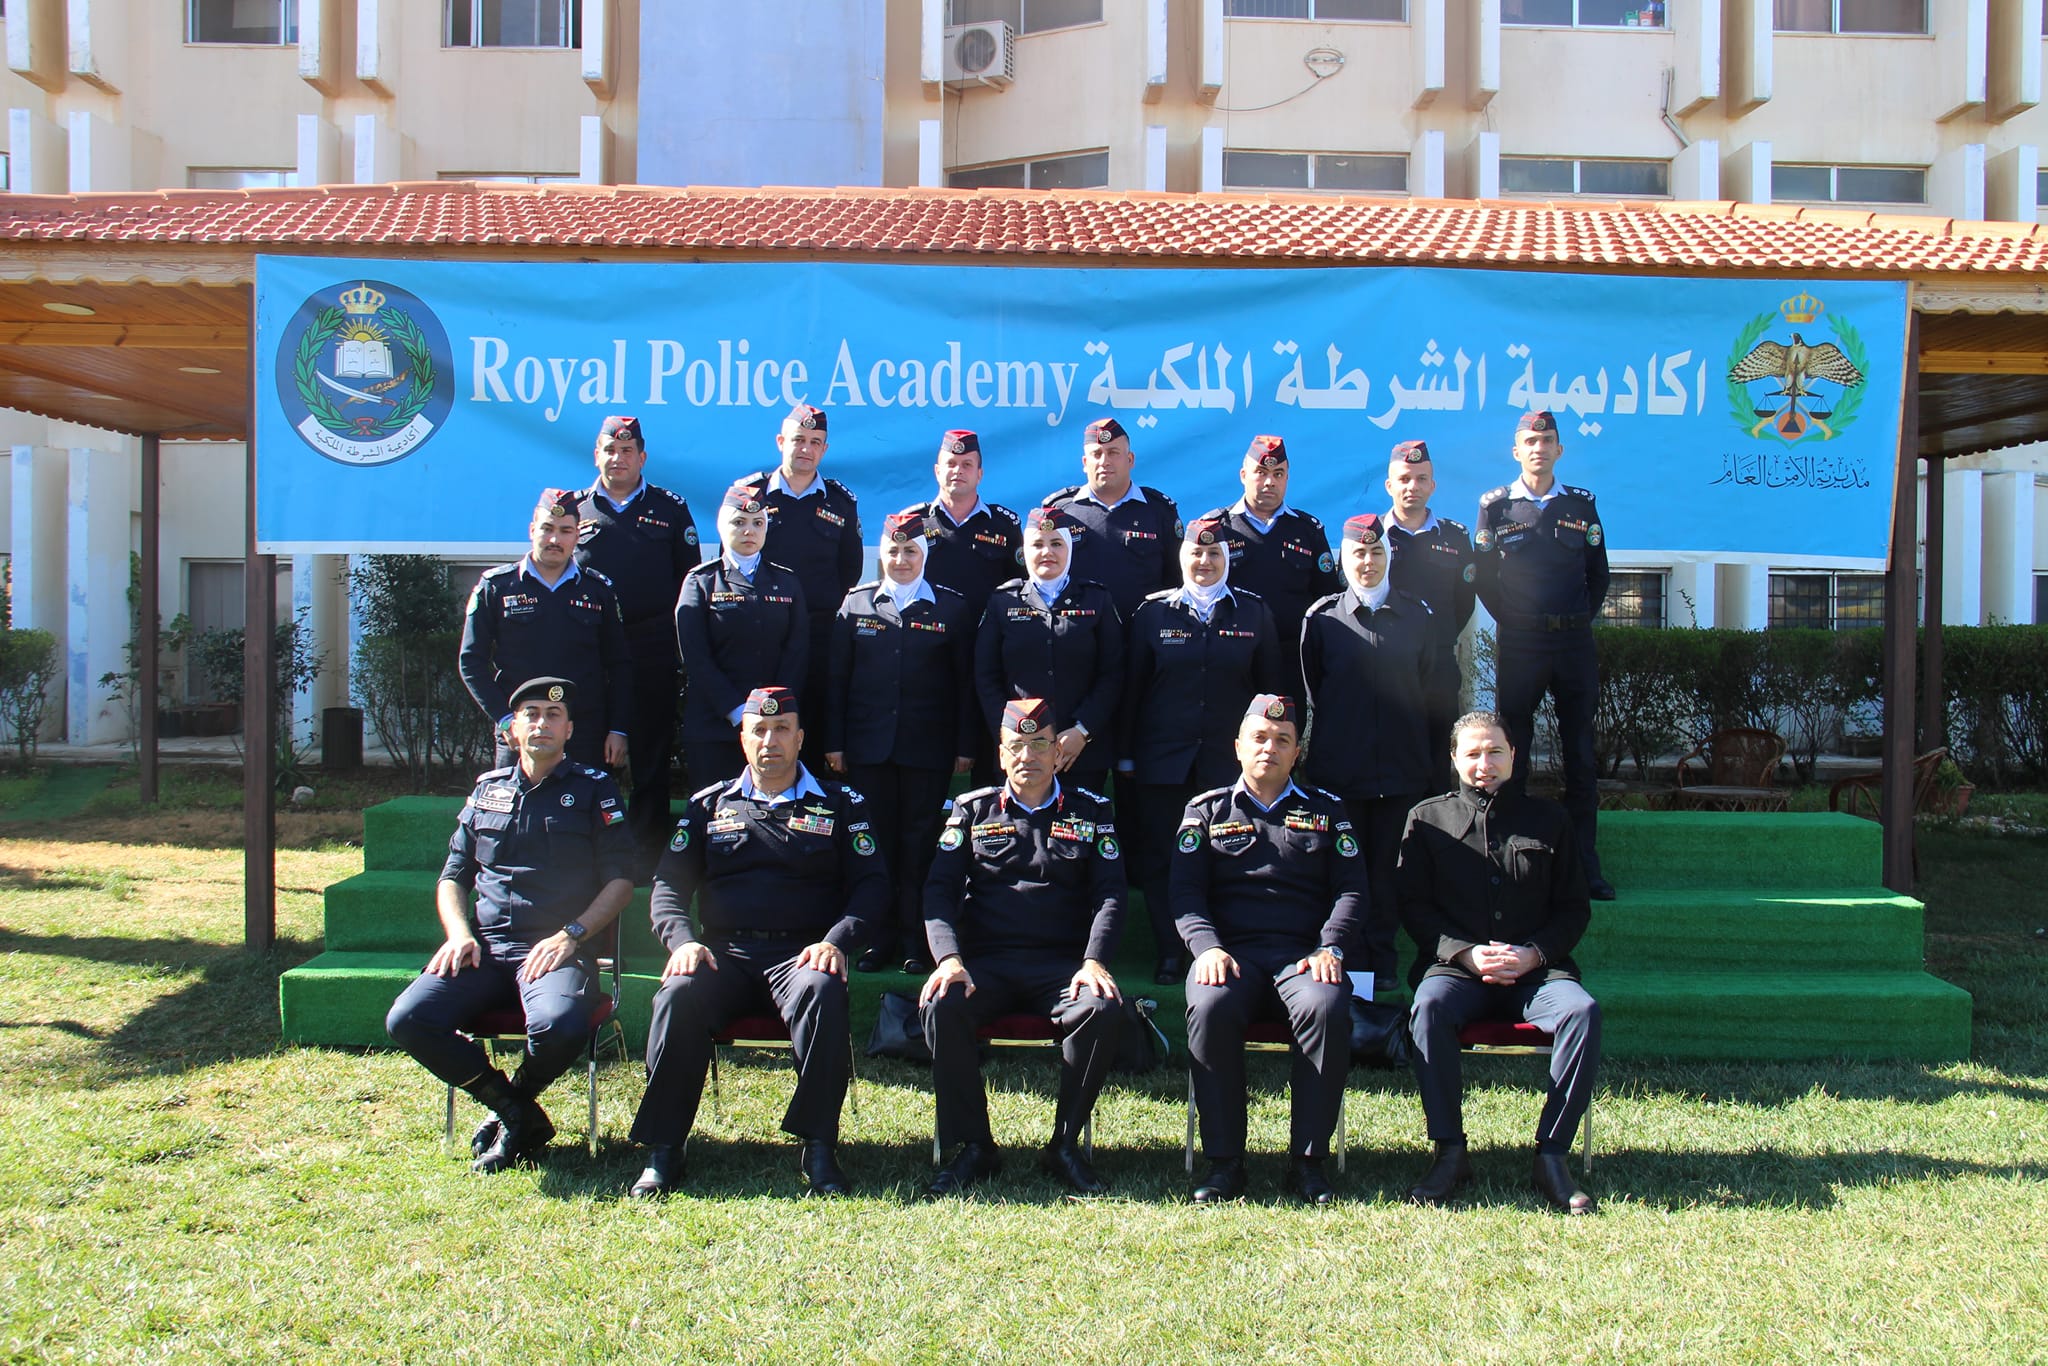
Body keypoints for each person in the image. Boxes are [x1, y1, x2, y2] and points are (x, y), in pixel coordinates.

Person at [627, 685, 887, 1198]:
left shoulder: (841, 803)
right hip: (723, 955)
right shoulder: (708, 804)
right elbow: (668, 886)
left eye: (782, 729)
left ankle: (818, 1146)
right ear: (743, 740)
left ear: (800, 738)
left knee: (822, 987)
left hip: (802, 955)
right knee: (678, 993)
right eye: (759, 731)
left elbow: (873, 886)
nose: (771, 741)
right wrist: (682, 942)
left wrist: (836, 941)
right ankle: (665, 1148)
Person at [385, 677, 635, 1174]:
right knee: (408, 1019)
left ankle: (513, 1109)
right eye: (531, 715)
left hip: (555, 950)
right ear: (512, 729)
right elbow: (453, 876)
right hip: (484, 950)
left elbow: (621, 881)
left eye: (554, 716)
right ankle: (515, 1112)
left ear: (569, 731)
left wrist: (572, 935)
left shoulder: (593, 789)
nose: (542, 723)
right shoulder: (488, 790)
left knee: (560, 1026)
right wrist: (458, 933)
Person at [1395, 710, 1602, 1215]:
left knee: (1582, 1012)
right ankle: (1449, 1152)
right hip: (1456, 970)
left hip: (1537, 972)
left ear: (1514, 755)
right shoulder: (1426, 819)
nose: (1484, 763)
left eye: (1494, 752)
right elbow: (1413, 907)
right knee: (1429, 1008)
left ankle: (1552, 1156)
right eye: (1472, 753)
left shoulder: (1550, 820)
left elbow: (1574, 909)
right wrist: (1464, 953)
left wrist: (1533, 953)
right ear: (1454, 759)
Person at [918, 697, 1126, 1198]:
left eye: (1039, 745)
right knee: (942, 1004)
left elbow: (1111, 893)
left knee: (1101, 1008)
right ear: (1000, 754)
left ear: (1058, 752)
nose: (1027, 756)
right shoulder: (972, 810)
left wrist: (1094, 960)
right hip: (984, 965)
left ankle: (1065, 1145)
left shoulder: (1091, 811)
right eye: (1016, 746)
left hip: (1063, 967)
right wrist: (948, 959)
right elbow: (939, 891)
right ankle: (974, 1146)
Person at [1172, 695, 1363, 1205]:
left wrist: (1330, 948)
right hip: (1229, 957)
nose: (1269, 748)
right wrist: (1205, 948)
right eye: (1259, 738)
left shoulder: (1327, 810)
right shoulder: (1205, 810)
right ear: (1237, 747)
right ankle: (1224, 1163)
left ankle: (1307, 1164)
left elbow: (1351, 891)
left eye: (1282, 740)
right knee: (1209, 1005)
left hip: (1302, 958)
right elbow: (1185, 894)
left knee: (1326, 1004)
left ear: (1297, 752)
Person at [1118, 514, 1284, 986]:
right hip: (1162, 760)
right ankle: (1171, 952)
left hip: (1230, 764)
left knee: (1229, 854)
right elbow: (1132, 690)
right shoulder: (1152, 614)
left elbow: (1272, 693)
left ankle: (1222, 948)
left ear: (1227, 558)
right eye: (1196, 552)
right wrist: (1126, 754)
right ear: (1182, 557)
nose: (1205, 561)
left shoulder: (1254, 613)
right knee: (1163, 857)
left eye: (1214, 553)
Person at [1473, 410, 1615, 900]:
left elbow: (1599, 573)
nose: (1539, 448)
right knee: (1513, 750)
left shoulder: (1581, 505)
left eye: (1547, 440)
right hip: (1522, 644)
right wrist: (1516, 620)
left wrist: (1575, 618)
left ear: (1559, 450)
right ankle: (1512, 858)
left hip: (1573, 643)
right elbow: (1483, 576)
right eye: (1530, 442)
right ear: (1516, 451)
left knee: (1580, 753)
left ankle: (1584, 864)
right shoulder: (1496, 508)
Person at [826, 511, 976, 975]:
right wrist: (834, 742)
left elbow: (965, 685)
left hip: (927, 749)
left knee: (919, 846)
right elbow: (836, 680)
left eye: (911, 550)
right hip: (867, 748)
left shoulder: (951, 607)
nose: (901, 559)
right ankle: (877, 938)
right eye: (893, 550)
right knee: (876, 845)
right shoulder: (857, 604)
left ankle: (916, 939)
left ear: (924, 555)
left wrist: (965, 745)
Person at [1300, 512, 1437, 988]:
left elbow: (1430, 688)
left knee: (1388, 872)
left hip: (1402, 771)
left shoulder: (1417, 616)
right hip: (1341, 772)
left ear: (1389, 556)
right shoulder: (1322, 619)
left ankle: (1383, 962)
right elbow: (1314, 691)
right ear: (1344, 559)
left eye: (1377, 552)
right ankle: (1347, 963)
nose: (1368, 561)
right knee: (1344, 870)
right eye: (1358, 553)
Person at [574, 415, 702, 873]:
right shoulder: (575, 510)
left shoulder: (671, 509)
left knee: (650, 752)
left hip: (651, 646)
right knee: (590, 751)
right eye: (610, 450)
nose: (618, 458)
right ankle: (591, 852)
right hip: (591, 651)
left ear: (642, 457)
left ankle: (647, 856)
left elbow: (689, 582)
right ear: (597, 455)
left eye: (627, 451)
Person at [458, 488, 630, 771]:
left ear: (577, 535)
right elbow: (470, 662)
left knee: (587, 800)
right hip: (520, 731)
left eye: (565, 531)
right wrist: (504, 719)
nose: (554, 539)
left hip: (585, 733)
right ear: (532, 530)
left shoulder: (598, 590)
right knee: (515, 801)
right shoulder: (497, 587)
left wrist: (618, 728)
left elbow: (620, 665)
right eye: (547, 528)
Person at [733, 403, 863, 767]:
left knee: (813, 724)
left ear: (824, 449)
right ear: (781, 442)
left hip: (819, 634)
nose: (806, 448)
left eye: (815, 442)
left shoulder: (840, 502)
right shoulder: (751, 494)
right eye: (798, 439)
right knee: (759, 726)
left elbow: (850, 569)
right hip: (762, 631)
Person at [900, 428, 1024, 787]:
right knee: (926, 769)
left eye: (967, 464)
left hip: (990, 660)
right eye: (951, 464)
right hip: (930, 660)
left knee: (991, 762)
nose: (958, 471)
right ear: (937, 470)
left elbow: (1020, 590)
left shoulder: (1005, 526)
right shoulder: (913, 524)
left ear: (980, 473)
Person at [974, 506, 1125, 792]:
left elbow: (1113, 672)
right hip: (1019, 754)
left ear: (1069, 548)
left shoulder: (1097, 599)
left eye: (1057, 543)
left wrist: (1083, 731)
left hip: (1079, 752)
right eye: (1038, 544)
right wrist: (1011, 736)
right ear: (1024, 551)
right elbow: (986, 676)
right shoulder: (1002, 601)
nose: (1047, 552)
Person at [673, 485, 809, 791]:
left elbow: (797, 651)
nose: (749, 531)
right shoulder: (700, 582)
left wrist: (775, 711)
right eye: (739, 522)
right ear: (722, 526)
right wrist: (738, 712)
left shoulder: (787, 582)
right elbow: (695, 656)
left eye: (758, 523)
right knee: (714, 811)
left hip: (775, 729)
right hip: (715, 725)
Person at [1203, 434, 1340, 705]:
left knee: (1286, 728)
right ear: (1243, 475)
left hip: (1291, 660)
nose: (1269, 482)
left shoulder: (1308, 530)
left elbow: (1328, 600)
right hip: (1232, 658)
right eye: (1261, 473)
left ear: (1287, 478)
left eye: (1278, 474)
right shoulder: (1218, 529)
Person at [1383, 439, 1476, 789]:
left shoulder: (1455, 536)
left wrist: (1437, 637)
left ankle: (1437, 819)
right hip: (1388, 664)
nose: (1413, 486)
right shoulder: (1373, 537)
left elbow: (1464, 601)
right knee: (1390, 750)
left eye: (1421, 479)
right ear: (1389, 485)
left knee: (1439, 751)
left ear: (1433, 485)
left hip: (1439, 665)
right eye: (1404, 479)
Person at [1041, 416, 1183, 624]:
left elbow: (1177, 578)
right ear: (1085, 463)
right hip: (1079, 634)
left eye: (1113, 453)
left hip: (1143, 632)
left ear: (1130, 459)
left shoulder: (1159, 510)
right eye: (1096, 454)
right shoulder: (1060, 511)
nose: (1104, 461)